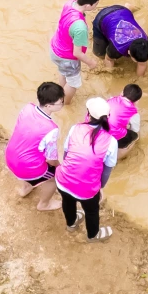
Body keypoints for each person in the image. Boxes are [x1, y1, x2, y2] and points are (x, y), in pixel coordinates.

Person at [56, 99, 118, 242]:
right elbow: (107, 170)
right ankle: (93, 235)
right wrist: (100, 187)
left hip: (62, 181)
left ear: (88, 114)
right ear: (107, 117)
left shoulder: (75, 128)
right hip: (86, 190)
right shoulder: (111, 142)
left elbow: (66, 154)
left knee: (68, 202)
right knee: (91, 211)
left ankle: (71, 224)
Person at [5, 82, 65, 212]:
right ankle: (44, 204)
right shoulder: (52, 129)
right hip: (26, 167)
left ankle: (25, 188)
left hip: (10, 157)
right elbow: (51, 159)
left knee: (26, 161)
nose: (62, 104)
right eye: (61, 102)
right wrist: (59, 167)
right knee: (53, 178)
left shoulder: (27, 107)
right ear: (49, 105)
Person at [49, 0, 106, 93]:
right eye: (97, 2)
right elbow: (77, 53)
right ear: (88, 6)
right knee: (73, 84)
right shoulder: (80, 28)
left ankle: (61, 91)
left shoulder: (70, 3)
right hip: (67, 59)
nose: (98, 4)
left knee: (63, 72)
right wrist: (91, 63)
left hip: (55, 48)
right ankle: (65, 103)